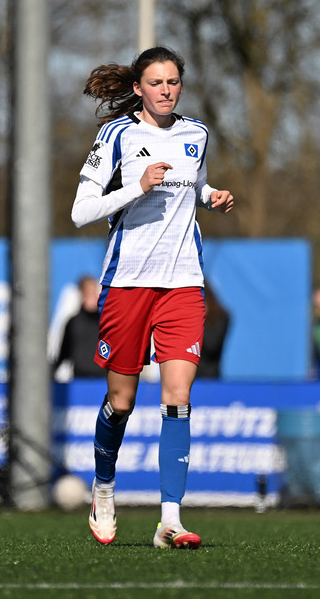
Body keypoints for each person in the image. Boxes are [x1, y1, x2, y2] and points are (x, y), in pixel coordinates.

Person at [72, 46, 234, 549]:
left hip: (184, 282)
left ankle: (170, 519)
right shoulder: (116, 135)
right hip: (127, 283)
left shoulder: (196, 134)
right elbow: (81, 212)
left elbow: (194, 185)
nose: (166, 90)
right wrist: (136, 187)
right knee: (121, 402)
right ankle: (103, 487)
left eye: (173, 82)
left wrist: (212, 196)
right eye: (156, 82)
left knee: (178, 397)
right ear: (138, 88)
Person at [53, 275, 106, 380]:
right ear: (82, 293)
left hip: (103, 380)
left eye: (94, 292)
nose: (92, 296)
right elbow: (64, 353)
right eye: (88, 292)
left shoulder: (106, 322)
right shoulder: (74, 322)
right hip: (80, 380)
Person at [195, 283, 230, 379]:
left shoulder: (220, 318)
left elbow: (212, 346)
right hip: (188, 374)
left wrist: (199, 319)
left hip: (209, 377)